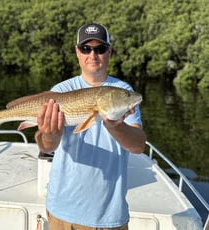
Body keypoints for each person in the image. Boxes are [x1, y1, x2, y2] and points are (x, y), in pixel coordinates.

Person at [26, 23, 146, 230]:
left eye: (99, 49)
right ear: (77, 52)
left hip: (109, 215)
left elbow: (138, 146)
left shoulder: (123, 91)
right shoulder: (61, 90)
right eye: (86, 48)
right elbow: (45, 147)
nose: (93, 55)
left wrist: (115, 126)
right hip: (61, 212)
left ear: (109, 51)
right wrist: (49, 134)